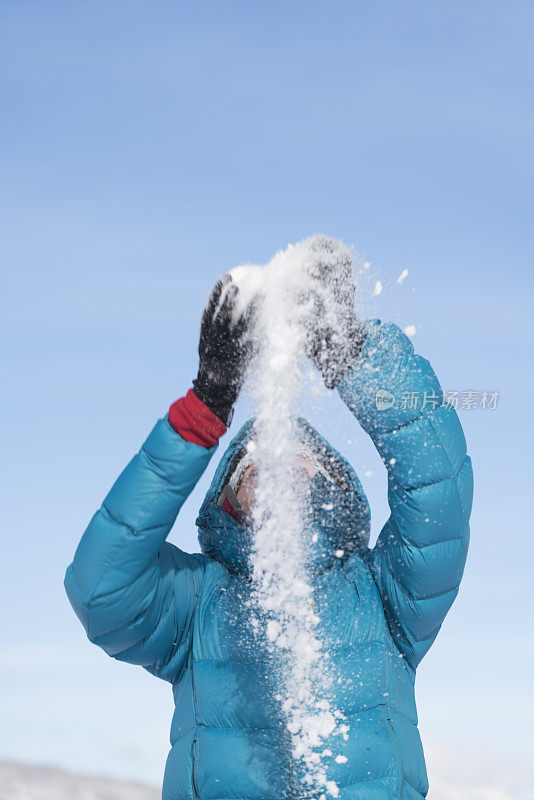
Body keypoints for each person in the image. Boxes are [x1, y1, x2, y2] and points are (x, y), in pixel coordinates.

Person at [65, 263, 473, 800]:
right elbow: (101, 588)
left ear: (330, 487)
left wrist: (351, 356)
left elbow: (438, 489)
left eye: (295, 465)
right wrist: (206, 406)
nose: (275, 476)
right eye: (252, 471)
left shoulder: (382, 594)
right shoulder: (197, 602)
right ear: (227, 504)